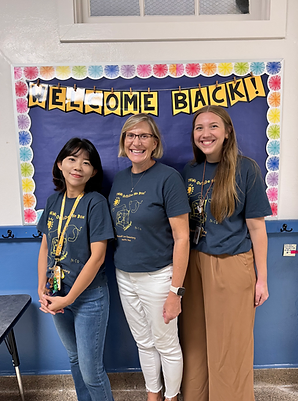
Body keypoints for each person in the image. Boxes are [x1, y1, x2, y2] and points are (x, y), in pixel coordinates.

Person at [179, 105, 272, 401]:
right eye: (199, 128)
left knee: (230, 344)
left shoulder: (246, 169)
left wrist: (262, 279)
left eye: (213, 126)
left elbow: (257, 228)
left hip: (231, 263)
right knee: (194, 340)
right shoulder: (190, 171)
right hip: (194, 264)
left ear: (228, 132)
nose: (205, 134)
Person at [108, 113, 190, 401]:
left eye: (144, 136)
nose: (136, 142)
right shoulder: (119, 179)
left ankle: (171, 397)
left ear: (154, 143)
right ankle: (152, 395)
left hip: (159, 277)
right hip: (124, 275)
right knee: (144, 343)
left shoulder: (168, 178)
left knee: (166, 344)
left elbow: (182, 238)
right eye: (130, 135)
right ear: (123, 142)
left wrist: (175, 292)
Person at [37, 137, 115, 401]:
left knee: (92, 371)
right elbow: (46, 247)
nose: (78, 166)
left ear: (93, 171)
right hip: (57, 292)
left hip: (88, 298)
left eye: (86, 162)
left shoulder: (95, 202)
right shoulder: (53, 201)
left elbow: (98, 257)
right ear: (60, 164)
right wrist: (42, 287)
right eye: (72, 159)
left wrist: (69, 299)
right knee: (74, 359)